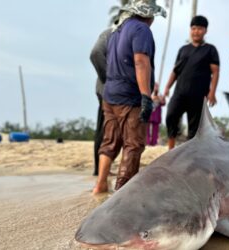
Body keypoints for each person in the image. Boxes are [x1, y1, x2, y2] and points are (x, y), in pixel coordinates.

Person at [92, 0, 166, 194]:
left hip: (110, 95)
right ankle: (123, 194)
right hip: (129, 96)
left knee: (110, 142)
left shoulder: (117, 30)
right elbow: (141, 62)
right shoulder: (142, 30)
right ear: (149, 15)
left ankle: (100, 184)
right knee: (133, 145)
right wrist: (145, 96)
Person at [164, 15, 220, 150]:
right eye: (193, 28)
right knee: (171, 116)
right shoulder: (183, 50)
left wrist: (212, 93)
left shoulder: (210, 50)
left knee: (194, 127)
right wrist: (167, 87)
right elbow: (175, 71)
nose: (196, 31)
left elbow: (216, 72)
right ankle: (170, 150)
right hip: (180, 92)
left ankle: (191, 154)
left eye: (200, 29)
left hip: (199, 94)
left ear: (205, 31)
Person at [90, 28, 112, 176]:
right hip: (107, 88)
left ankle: (102, 170)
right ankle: (99, 170)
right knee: (104, 129)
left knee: (107, 129)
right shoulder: (109, 34)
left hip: (109, 89)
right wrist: (109, 77)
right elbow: (95, 53)